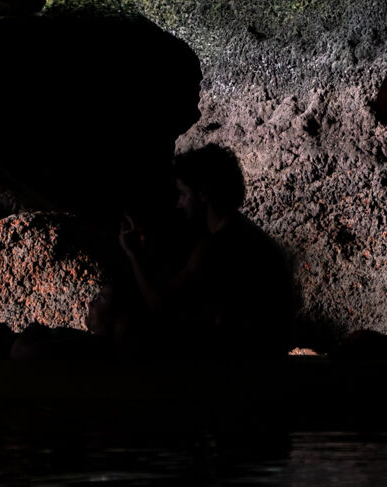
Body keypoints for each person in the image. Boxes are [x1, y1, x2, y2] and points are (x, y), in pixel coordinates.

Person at [109, 144, 296, 358]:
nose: (179, 204)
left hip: (248, 364)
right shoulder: (247, 234)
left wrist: (134, 254)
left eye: (183, 194)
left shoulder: (217, 247)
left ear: (203, 194)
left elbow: (159, 305)